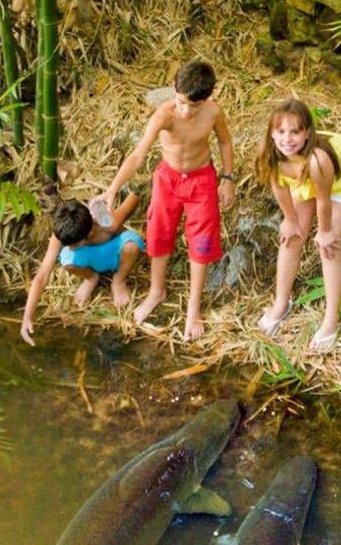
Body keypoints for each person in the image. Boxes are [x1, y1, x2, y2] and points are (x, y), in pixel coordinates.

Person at [93, 60, 235, 341]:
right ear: (174, 90)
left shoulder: (213, 113)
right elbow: (137, 155)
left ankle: (193, 309)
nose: (185, 111)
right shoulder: (164, 115)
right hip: (167, 180)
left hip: (201, 181)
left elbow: (225, 142)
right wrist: (111, 190)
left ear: (206, 99)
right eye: (181, 102)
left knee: (202, 240)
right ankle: (156, 291)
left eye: (193, 106)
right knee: (158, 233)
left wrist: (228, 179)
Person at [255, 98, 341, 352]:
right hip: (304, 176)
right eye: (281, 131)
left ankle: (330, 321)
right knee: (292, 237)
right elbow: (279, 187)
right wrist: (290, 220)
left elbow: (323, 201)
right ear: (272, 133)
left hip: (339, 179)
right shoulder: (272, 154)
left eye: (296, 131)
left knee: (329, 246)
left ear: (307, 134)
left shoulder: (318, 160)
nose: (288, 139)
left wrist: (325, 231)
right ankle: (282, 303)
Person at [20, 194, 143, 346]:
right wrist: (27, 316)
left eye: (73, 245)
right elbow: (42, 276)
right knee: (67, 259)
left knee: (132, 243)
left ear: (88, 234)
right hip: (91, 258)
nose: (68, 247)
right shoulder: (64, 229)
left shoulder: (105, 220)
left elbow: (133, 200)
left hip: (113, 253)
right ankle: (91, 278)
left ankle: (119, 280)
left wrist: (130, 192)